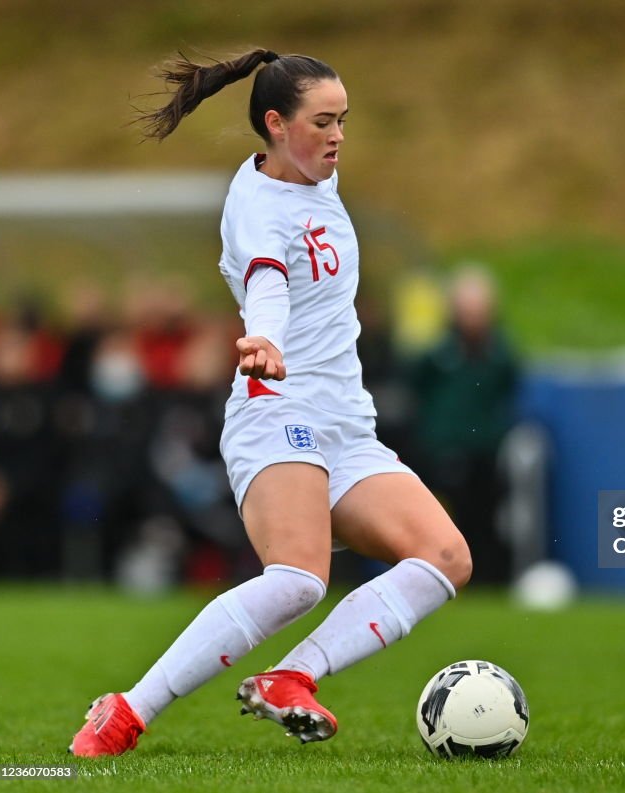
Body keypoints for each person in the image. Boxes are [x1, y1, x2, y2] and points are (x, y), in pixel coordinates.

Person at [70, 48, 471, 757]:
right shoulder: (255, 206)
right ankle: (127, 710)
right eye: (324, 121)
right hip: (275, 404)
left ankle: (291, 676)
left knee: (444, 556)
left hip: (346, 423)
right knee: (297, 580)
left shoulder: (321, 174)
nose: (339, 135)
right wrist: (264, 337)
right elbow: (268, 281)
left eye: (344, 119)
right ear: (276, 124)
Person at [409, 266, 519, 583]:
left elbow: (508, 387)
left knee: (486, 519)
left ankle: (487, 580)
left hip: (486, 450)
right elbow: (417, 386)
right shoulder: (439, 353)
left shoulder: (500, 353)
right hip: (443, 450)